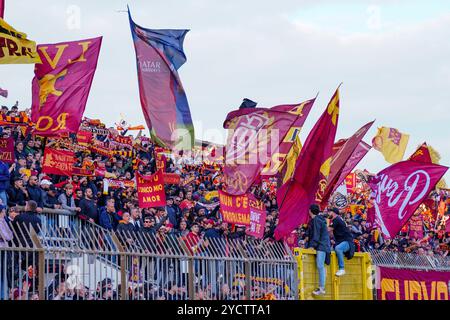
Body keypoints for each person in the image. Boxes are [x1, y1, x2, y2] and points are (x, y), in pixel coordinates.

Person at [306, 204, 331, 296]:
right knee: (321, 266)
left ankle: (321, 288)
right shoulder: (319, 219)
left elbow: (316, 235)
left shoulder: (316, 220)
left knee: (320, 265)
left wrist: (312, 246)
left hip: (321, 245)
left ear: (310, 211)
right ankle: (322, 287)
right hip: (324, 245)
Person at [328, 207, 355, 277]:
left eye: (329, 212)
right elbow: (330, 233)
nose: (328, 213)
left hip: (347, 242)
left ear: (333, 212)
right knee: (331, 251)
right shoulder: (338, 220)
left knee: (338, 248)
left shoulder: (336, 219)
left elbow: (328, 229)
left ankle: (342, 268)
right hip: (342, 241)